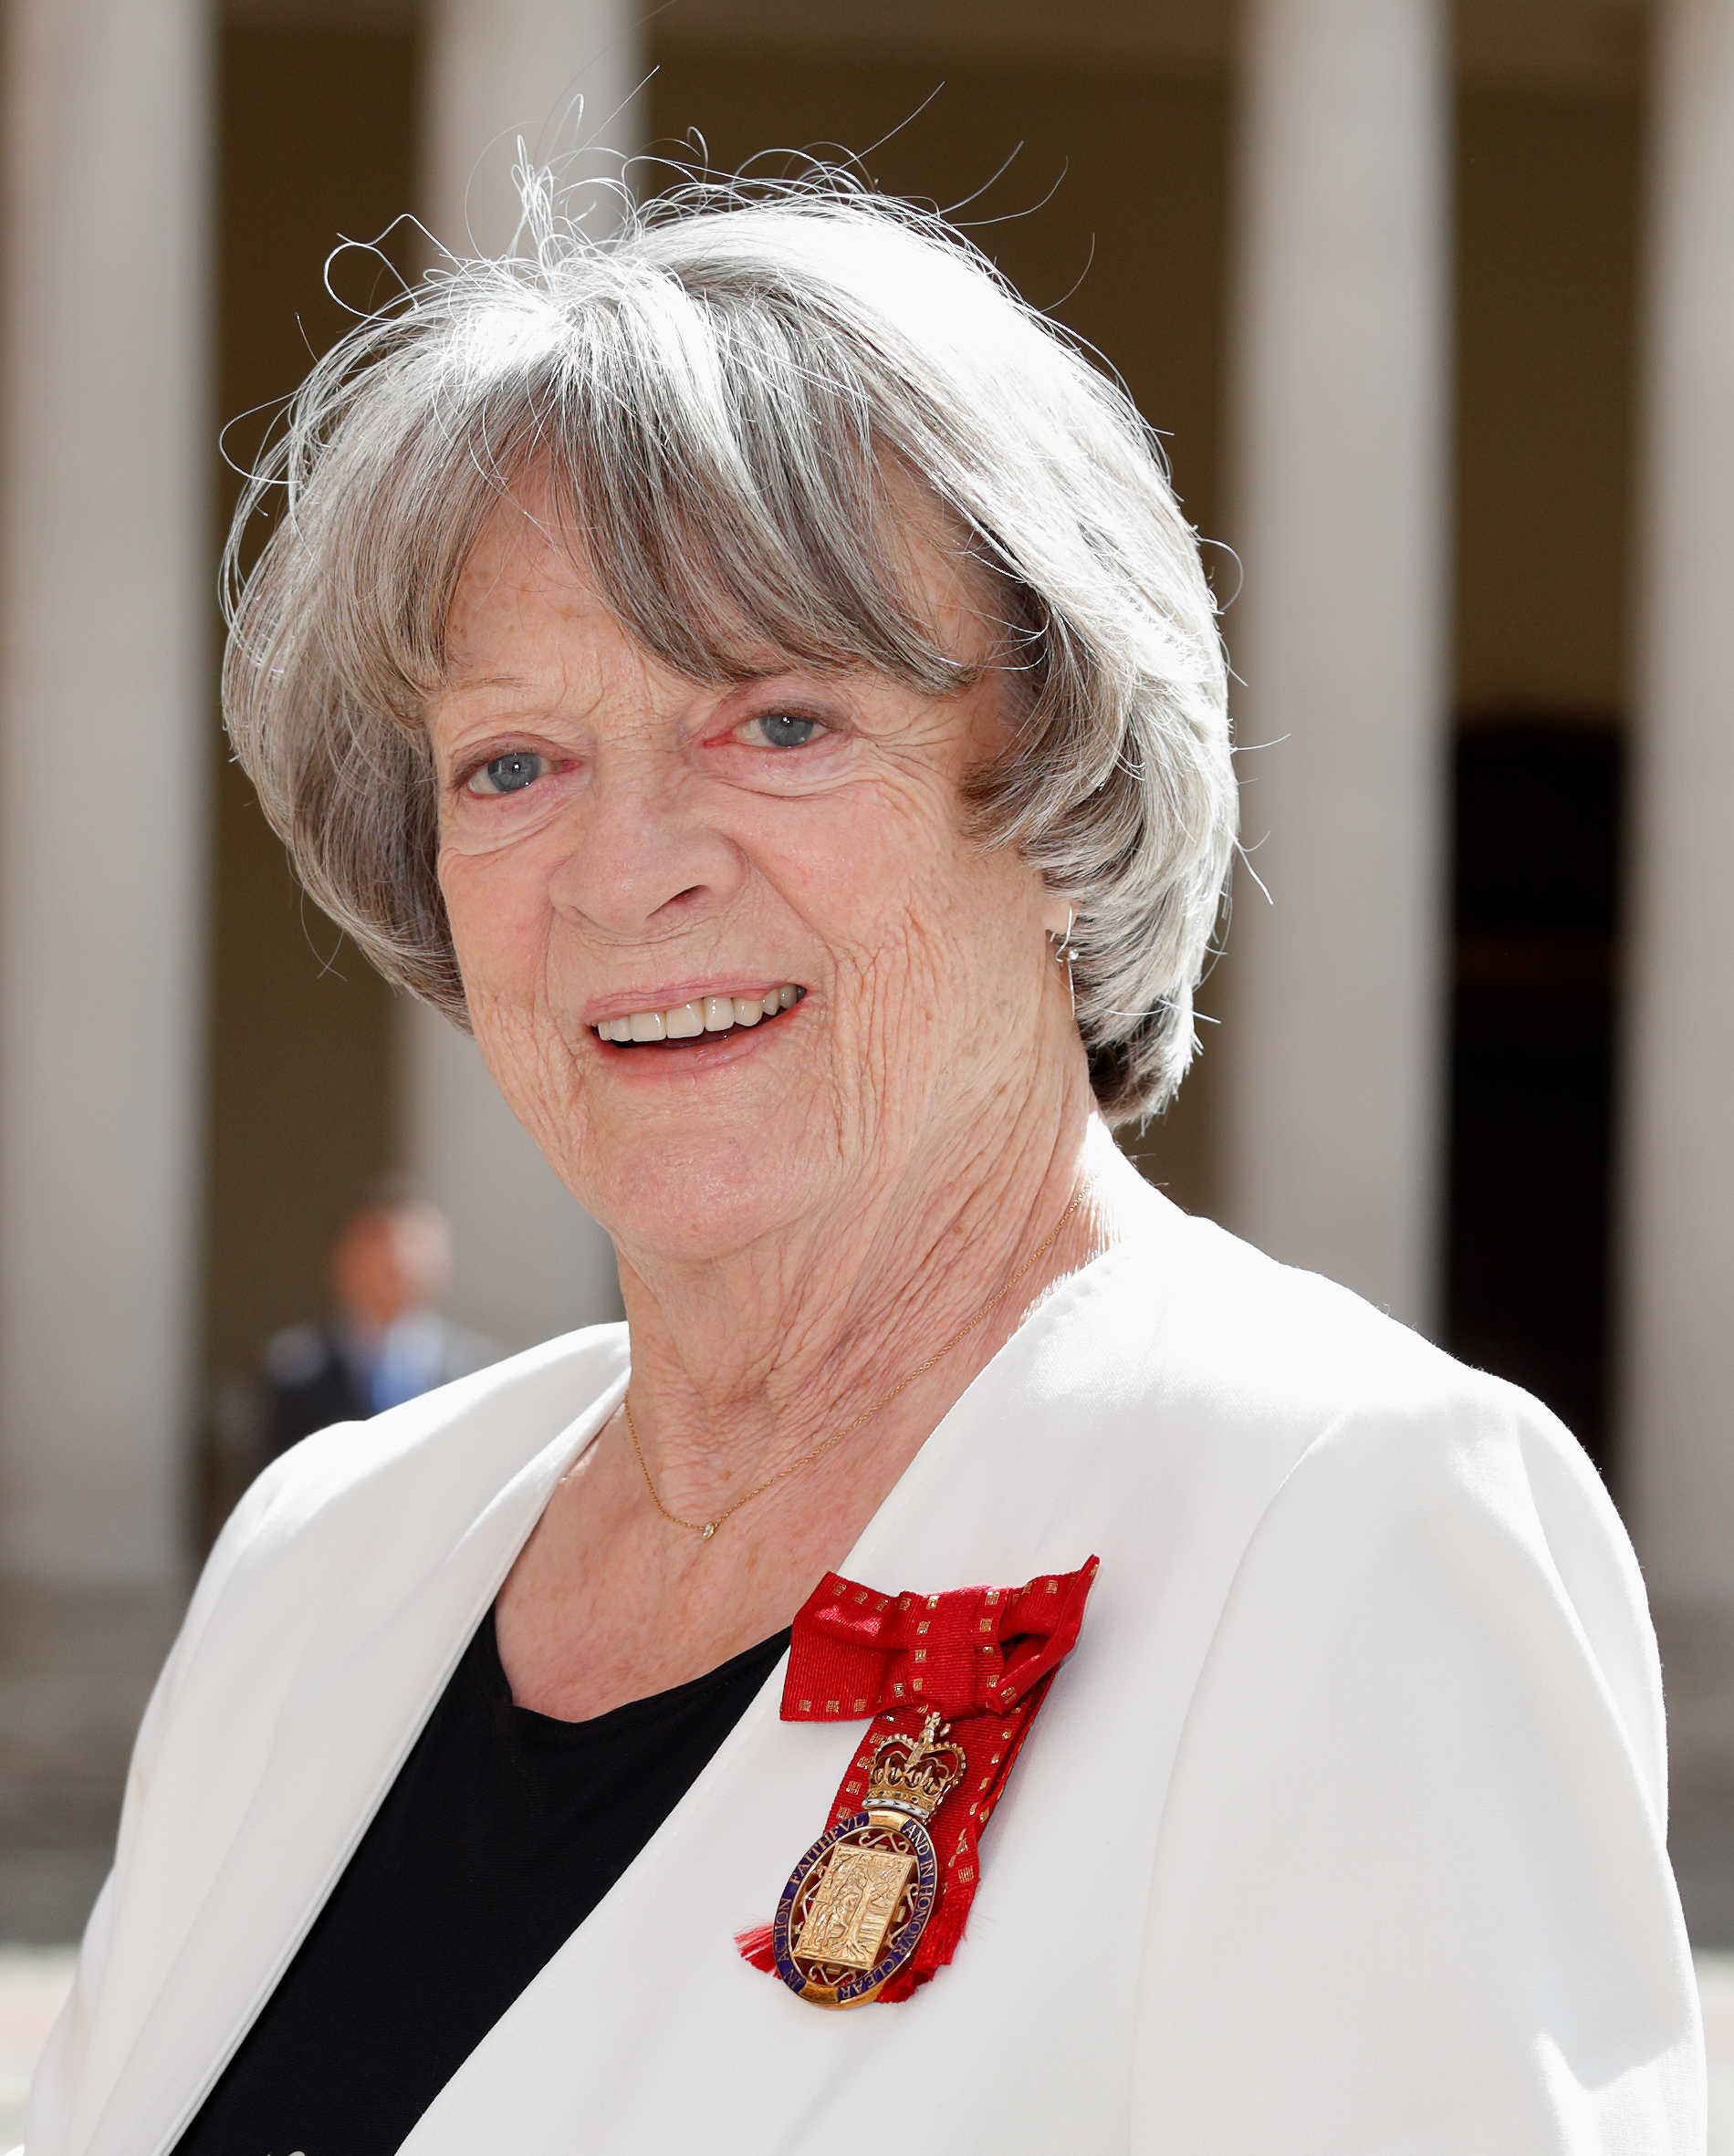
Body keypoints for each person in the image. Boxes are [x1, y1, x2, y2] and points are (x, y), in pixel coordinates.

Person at [25, 174, 1700, 2156]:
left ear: (1062, 779)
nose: (626, 865)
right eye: (510, 762)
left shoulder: (1342, 1527)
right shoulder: (331, 1554)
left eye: (781, 719)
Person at [257, 1185, 498, 1463]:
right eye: (377, 1239)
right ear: (338, 1259)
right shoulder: (292, 1370)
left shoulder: (482, 1371)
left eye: (415, 1239)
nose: (399, 1256)